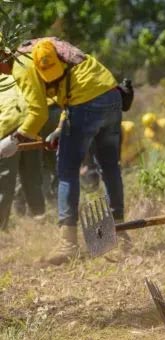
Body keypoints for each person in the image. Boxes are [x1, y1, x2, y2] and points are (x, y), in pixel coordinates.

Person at [0, 37, 125, 264]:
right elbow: (70, 86)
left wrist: (15, 139)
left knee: (67, 170)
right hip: (112, 92)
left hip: (85, 102)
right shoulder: (34, 51)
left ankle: (68, 244)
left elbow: (39, 112)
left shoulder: (21, 66)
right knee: (109, 166)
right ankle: (121, 232)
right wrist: (60, 129)